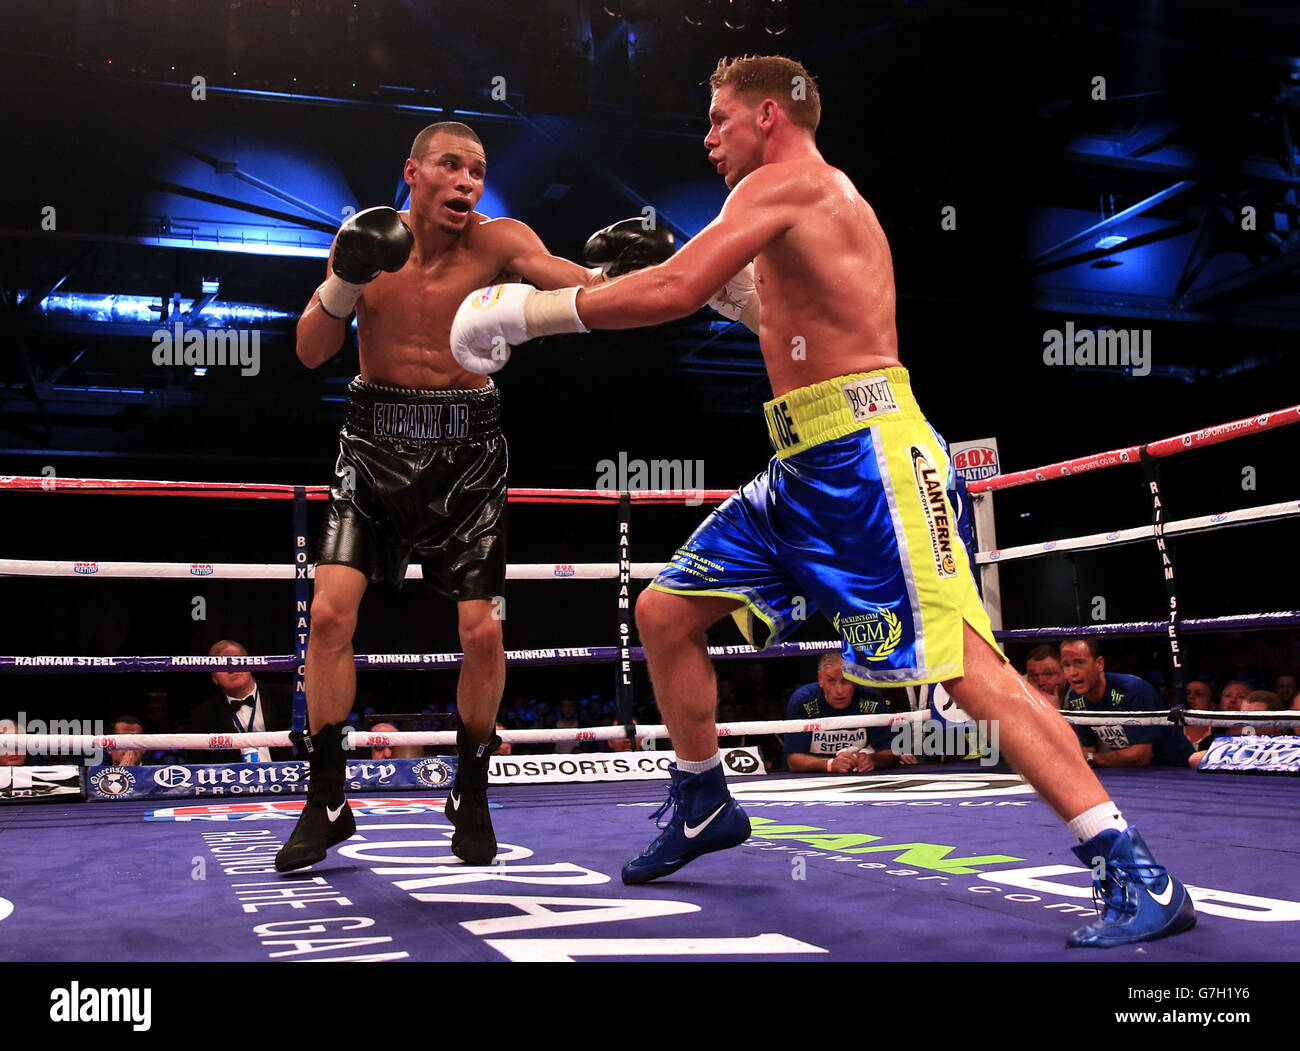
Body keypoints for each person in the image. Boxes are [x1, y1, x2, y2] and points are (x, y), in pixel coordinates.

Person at [449, 56, 1195, 947]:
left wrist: (526, 313)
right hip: (802, 461)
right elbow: (773, 314)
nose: (707, 137)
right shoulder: (798, 203)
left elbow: (671, 291)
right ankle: (701, 799)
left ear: (770, 114)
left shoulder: (790, 183)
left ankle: (1131, 864)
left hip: (874, 459)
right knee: (664, 611)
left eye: (719, 119)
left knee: (968, 668)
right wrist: (732, 297)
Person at [277, 121, 671, 873]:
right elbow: (308, 350)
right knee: (328, 614)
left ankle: (471, 786)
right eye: (451, 167)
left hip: (470, 453)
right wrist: (343, 280)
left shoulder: (501, 241)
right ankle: (327, 793)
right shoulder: (361, 240)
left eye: (477, 171)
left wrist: (621, 272)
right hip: (372, 446)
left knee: (482, 632)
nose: (466, 182)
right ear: (413, 173)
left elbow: (574, 286)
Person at [1059, 638, 1194, 768]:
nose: (1072, 672)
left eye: (1080, 663)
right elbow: (1087, 749)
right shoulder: (1076, 699)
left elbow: (1141, 756)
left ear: (1099, 664)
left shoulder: (1133, 691)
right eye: (1066, 665)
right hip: (1131, 774)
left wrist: (1093, 758)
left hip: (1177, 769)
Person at [784, 653, 913, 773]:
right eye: (832, 681)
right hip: (810, 782)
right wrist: (829, 764)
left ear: (856, 678)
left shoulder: (870, 700)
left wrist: (872, 759)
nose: (839, 690)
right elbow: (793, 760)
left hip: (860, 782)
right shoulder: (804, 701)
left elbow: (890, 752)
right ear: (821, 679)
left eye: (846, 680)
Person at [187, 639, 293, 764]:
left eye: (237, 660)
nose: (232, 668)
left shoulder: (286, 697)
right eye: (222, 665)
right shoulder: (203, 714)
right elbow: (201, 764)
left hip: (286, 778)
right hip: (232, 781)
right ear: (214, 678)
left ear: (250, 664)